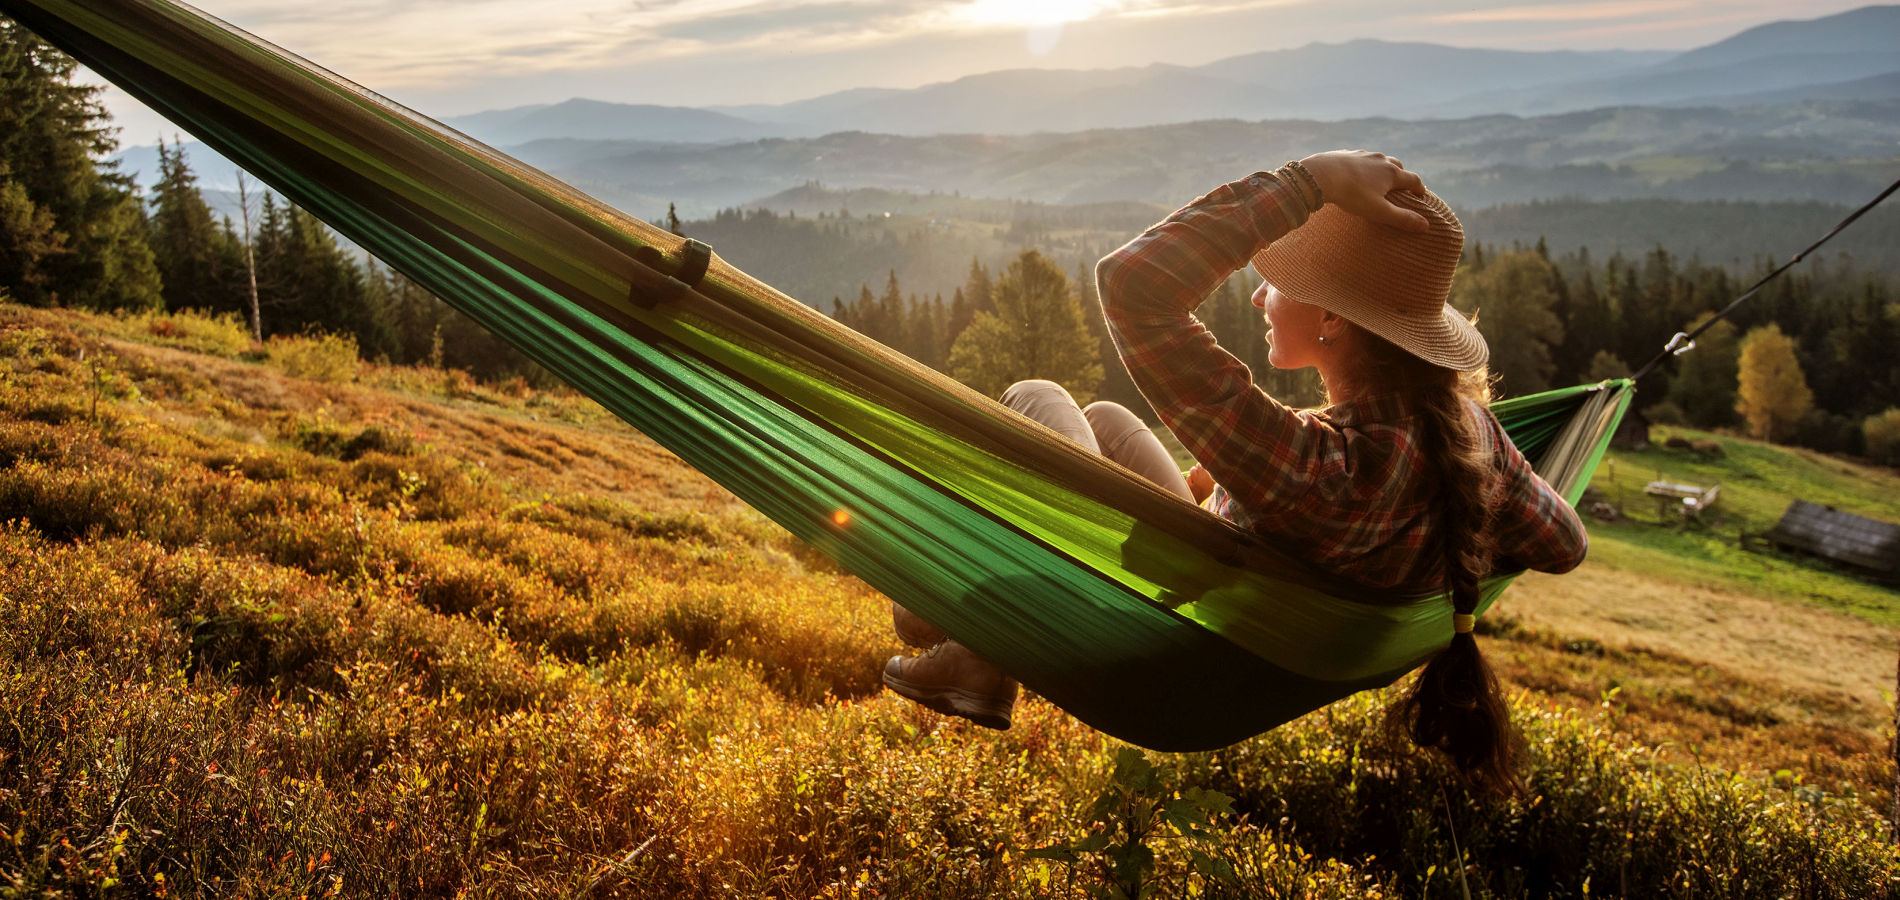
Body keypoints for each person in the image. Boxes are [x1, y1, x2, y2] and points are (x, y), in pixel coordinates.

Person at [882, 151, 1588, 792]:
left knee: (1037, 399)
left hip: (1172, 633)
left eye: (1279, 283)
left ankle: (976, 646)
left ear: (1333, 321)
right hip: (1239, 610)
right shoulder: (1475, 439)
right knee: (1103, 417)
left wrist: (1311, 181)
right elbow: (1564, 545)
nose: (1259, 297)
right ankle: (962, 634)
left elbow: (1132, 285)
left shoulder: (1312, 468)